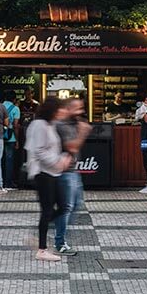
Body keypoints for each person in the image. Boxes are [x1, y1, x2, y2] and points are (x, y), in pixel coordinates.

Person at [25, 96, 72, 261]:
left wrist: (62, 158)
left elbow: (50, 148)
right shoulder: (40, 125)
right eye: (60, 109)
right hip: (43, 173)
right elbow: (39, 151)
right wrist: (58, 161)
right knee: (47, 210)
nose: (63, 112)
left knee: (63, 206)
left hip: (52, 172)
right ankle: (42, 249)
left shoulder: (49, 125)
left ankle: (39, 238)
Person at [53, 97, 91, 256]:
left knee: (75, 204)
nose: (80, 111)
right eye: (77, 108)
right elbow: (72, 147)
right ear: (68, 109)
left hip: (72, 171)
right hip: (64, 172)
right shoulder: (62, 125)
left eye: (81, 108)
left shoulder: (72, 124)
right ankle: (59, 241)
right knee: (67, 207)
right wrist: (82, 133)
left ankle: (53, 225)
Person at [2, 90, 21, 190]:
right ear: (14, 99)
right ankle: (8, 183)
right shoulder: (16, 108)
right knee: (9, 161)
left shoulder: (0, 106)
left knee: (0, 160)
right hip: (11, 137)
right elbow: (15, 126)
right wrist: (17, 140)